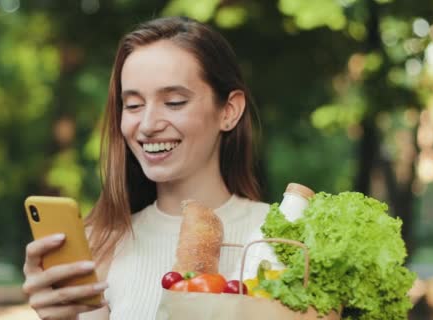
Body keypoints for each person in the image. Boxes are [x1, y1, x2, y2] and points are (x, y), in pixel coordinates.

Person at [22, 16, 272, 320]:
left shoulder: (280, 237)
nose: (148, 125)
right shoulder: (99, 246)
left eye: (175, 102)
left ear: (229, 111)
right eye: (133, 105)